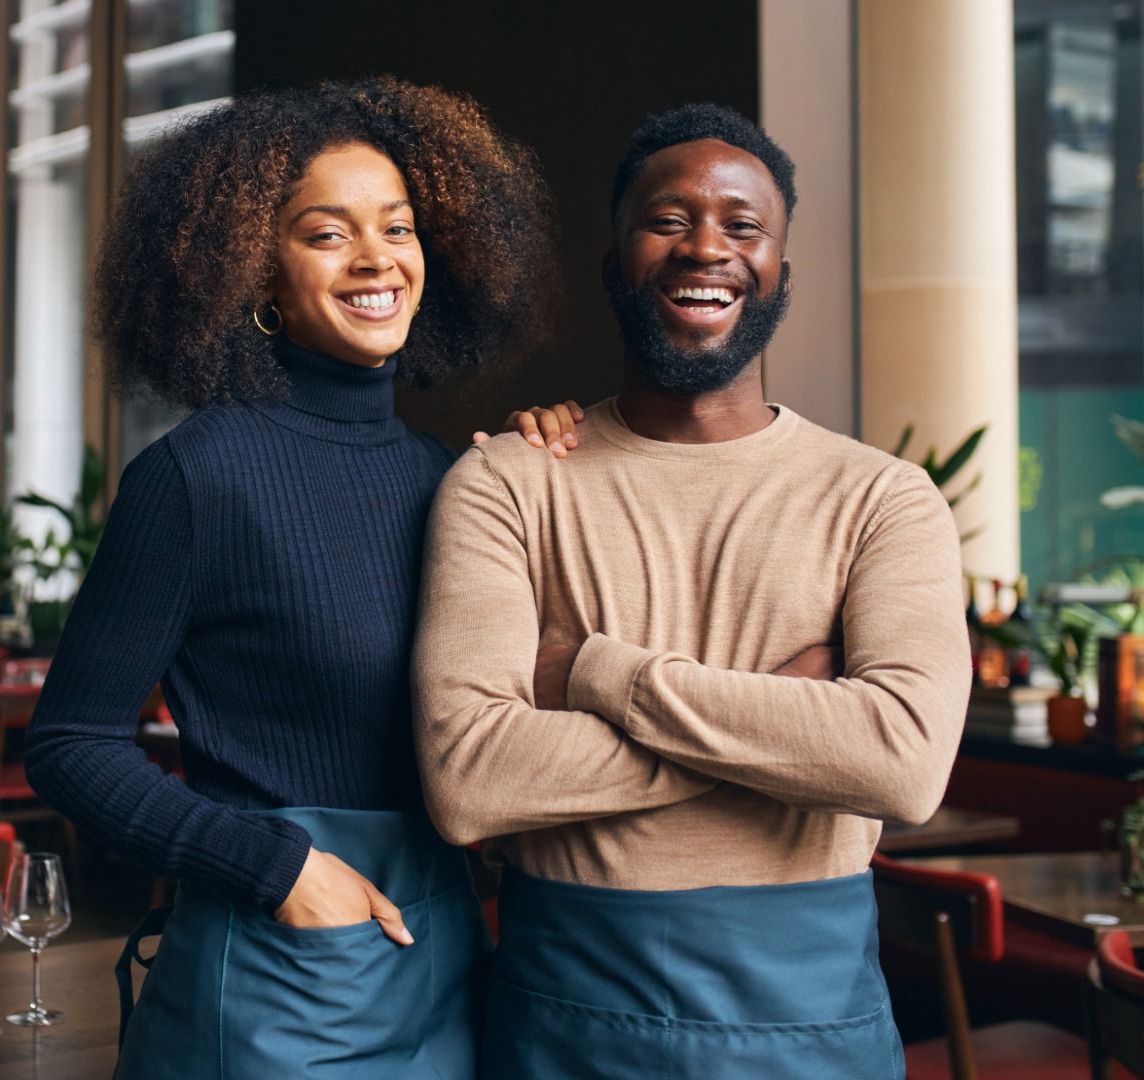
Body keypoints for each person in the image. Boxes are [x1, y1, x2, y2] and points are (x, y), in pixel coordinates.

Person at [23, 76, 573, 1078]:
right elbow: (69, 746)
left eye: (398, 228)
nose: (377, 260)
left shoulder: (449, 476)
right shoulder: (197, 476)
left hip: (446, 957)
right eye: (327, 233)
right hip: (282, 973)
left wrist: (556, 462)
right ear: (257, 276)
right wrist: (277, 872)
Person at [412, 102, 970, 1079]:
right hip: (569, 1013)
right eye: (668, 221)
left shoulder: (884, 499)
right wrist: (793, 721)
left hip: (812, 1021)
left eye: (741, 226)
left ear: (779, 276)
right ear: (614, 265)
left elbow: (903, 767)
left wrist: (595, 671)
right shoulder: (505, 482)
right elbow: (471, 785)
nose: (704, 246)